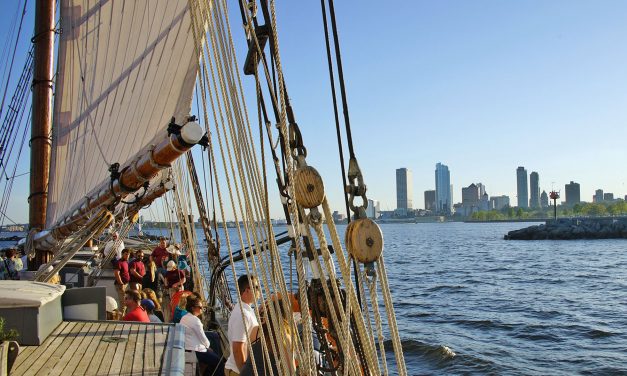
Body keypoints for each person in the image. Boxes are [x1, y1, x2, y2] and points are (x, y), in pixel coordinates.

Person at [225, 275, 260, 376]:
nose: (258, 291)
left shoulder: (245, 310)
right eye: (256, 287)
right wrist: (245, 373)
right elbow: (237, 349)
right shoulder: (242, 315)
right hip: (238, 371)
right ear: (247, 290)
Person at [180, 297, 225, 376]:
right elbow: (203, 339)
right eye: (200, 307)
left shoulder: (184, 317)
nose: (202, 309)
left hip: (188, 346)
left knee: (213, 336)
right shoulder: (196, 321)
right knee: (219, 362)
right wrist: (208, 347)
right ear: (193, 308)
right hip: (196, 350)